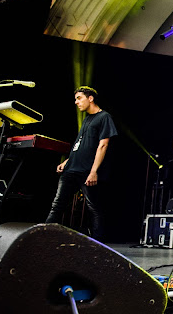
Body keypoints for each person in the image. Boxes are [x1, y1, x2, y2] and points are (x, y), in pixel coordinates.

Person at [46, 86, 118, 241]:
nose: (76, 102)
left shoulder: (104, 117)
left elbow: (103, 145)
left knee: (94, 207)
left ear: (90, 98)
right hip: (72, 169)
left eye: (79, 98)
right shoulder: (86, 119)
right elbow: (80, 144)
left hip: (87, 171)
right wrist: (67, 161)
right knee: (57, 205)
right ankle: (44, 238)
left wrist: (94, 171)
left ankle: (99, 243)